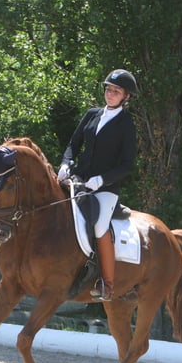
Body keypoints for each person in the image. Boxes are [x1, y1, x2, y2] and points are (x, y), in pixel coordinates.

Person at [57, 69, 138, 301]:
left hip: (106, 188)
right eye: (108, 89)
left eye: (116, 91)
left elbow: (127, 164)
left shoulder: (126, 125)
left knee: (100, 226)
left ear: (126, 97)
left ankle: (107, 283)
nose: (110, 94)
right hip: (78, 180)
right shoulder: (92, 114)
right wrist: (65, 164)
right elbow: (73, 144)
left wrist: (102, 179)